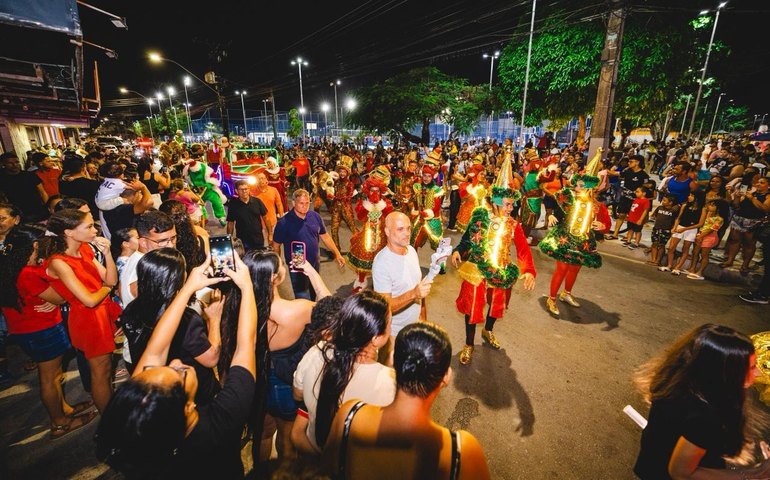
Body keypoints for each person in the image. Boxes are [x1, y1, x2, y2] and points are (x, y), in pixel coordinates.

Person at [95, 253, 256, 479]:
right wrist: (247, 287)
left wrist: (187, 288)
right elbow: (245, 346)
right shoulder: (222, 421)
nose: (176, 362)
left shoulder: (141, 440)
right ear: (187, 408)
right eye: (179, 374)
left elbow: (156, 348)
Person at [322, 322, 491, 479]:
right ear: (446, 376)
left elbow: (329, 467)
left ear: (393, 359)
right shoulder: (462, 452)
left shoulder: (349, 415)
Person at [218, 250, 330, 470]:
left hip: (253, 379)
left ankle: (260, 472)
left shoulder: (235, 309)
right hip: (283, 386)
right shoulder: (296, 310)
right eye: (281, 266)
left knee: (262, 433)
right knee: (287, 438)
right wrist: (311, 273)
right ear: (275, 278)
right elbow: (330, 308)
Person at [633, 324, 770, 479]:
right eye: (750, 367)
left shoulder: (676, 381)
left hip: (651, 464)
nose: (757, 372)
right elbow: (681, 473)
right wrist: (753, 473)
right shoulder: (704, 417)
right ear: (725, 372)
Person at [0, 225, 98, 438]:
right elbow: (61, 297)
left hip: (26, 329)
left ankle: (64, 409)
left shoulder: (10, 267)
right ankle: (60, 422)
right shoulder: (28, 274)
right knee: (50, 378)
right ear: (35, 245)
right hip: (42, 330)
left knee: (54, 375)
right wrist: (58, 283)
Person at [451, 153, 536, 365]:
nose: (510, 209)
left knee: (496, 305)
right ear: (497, 202)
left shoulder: (513, 225)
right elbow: (467, 240)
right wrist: (458, 251)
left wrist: (529, 271)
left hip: (501, 269)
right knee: (472, 307)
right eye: (507, 204)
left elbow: (524, 250)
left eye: (511, 205)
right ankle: (469, 344)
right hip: (477, 269)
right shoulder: (480, 216)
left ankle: (488, 331)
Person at [292, 290, 396, 454]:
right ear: (376, 338)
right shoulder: (389, 381)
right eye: (390, 323)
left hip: (312, 447)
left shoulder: (317, 352)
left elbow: (297, 394)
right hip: (352, 464)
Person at [42, 209, 121, 413]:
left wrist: (107, 254)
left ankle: (111, 413)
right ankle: (110, 422)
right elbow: (89, 300)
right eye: (88, 226)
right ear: (68, 232)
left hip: (101, 313)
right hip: (88, 319)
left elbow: (111, 279)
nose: (95, 230)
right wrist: (108, 289)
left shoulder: (85, 248)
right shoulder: (59, 262)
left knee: (105, 369)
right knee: (100, 372)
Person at [120, 248, 222, 405]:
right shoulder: (186, 319)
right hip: (192, 394)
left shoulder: (131, 309)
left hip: (157, 390)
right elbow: (211, 358)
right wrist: (214, 319)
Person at [539, 149, 612, 317]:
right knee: (562, 268)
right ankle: (552, 298)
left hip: (583, 241)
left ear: (590, 187)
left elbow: (606, 224)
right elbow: (556, 211)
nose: (577, 187)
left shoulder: (597, 206)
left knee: (575, 268)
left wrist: (601, 226)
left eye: (581, 185)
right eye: (577, 184)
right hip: (565, 238)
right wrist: (550, 217)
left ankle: (566, 293)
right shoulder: (568, 198)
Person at [372, 211, 433, 364]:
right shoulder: (381, 263)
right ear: (387, 231)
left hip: (414, 327)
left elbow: (418, 288)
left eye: (408, 228)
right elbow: (385, 306)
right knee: (392, 377)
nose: (406, 234)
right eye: (400, 229)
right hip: (394, 333)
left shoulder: (411, 251)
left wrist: (423, 319)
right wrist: (414, 294)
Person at [272, 189, 345, 300]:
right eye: (301, 203)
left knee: (314, 291)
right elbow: (276, 245)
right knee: (302, 297)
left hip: (315, 262)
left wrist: (337, 254)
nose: (305, 206)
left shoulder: (315, 216)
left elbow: (325, 237)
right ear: (293, 203)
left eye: (307, 203)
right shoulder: (283, 223)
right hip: (298, 263)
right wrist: (277, 263)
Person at [347, 176, 394, 293]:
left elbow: (390, 216)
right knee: (364, 255)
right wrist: (366, 207)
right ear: (368, 190)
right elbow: (360, 217)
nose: (375, 193)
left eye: (377, 190)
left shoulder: (386, 203)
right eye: (372, 190)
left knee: (383, 259)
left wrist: (382, 207)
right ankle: (361, 279)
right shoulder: (363, 203)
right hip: (367, 235)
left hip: (382, 236)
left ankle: (381, 281)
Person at [608, 154, 649, 240]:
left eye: (631, 161)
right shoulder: (627, 171)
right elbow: (616, 173)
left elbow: (647, 187)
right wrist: (606, 170)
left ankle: (629, 236)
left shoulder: (644, 175)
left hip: (636, 201)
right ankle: (615, 234)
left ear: (637, 162)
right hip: (625, 198)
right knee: (621, 215)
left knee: (632, 218)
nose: (629, 163)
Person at [0, 151, 49, 223]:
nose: (14, 165)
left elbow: (42, 192)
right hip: (18, 213)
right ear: (3, 164)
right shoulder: (2, 178)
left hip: (38, 210)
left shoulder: (29, 175)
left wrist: (47, 207)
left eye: (17, 162)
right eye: (10, 163)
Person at [685, 199, 725, 280]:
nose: (709, 206)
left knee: (704, 255)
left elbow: (712, 229)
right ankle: (692, 268)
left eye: (712, 205)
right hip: (701, 234)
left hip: (709, 236)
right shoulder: (706, 214)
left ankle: (700, 272)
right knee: (695, 252)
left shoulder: (719, 219)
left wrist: (701, 236)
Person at [328, 155, 359, 253]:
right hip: (336, 209)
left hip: (346, 209)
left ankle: (360, 247)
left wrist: (335, 197)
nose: (342, 173)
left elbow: (348, 197)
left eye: (344, 171)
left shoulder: (350, 184)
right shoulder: (336, 183)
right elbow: (331, 192)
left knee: (353, 229)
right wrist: (331, 201)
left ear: (347, 172)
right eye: (340, 171)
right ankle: (336, 250)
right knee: (333, 229)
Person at [227, 179, 268, 252]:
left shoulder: (257, 201)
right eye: (241, 189)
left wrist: (270, 234)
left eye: (246, 189)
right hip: (242, 240)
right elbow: (230, 223)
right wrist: (229, 238)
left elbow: (266, 218)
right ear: (237, 191)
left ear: (249, 189)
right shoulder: (233, 205)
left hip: (258, 239)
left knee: (259, 259)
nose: (244, 191)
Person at [253, 172, 284, 244]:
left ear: (266, 179)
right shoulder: (252, 192)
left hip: (272, 222)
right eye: (259, 179)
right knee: (261, 245)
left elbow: (279, 204)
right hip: (258, 224)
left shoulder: (273, 190)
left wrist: (282, 218)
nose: (261, 180)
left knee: (274, 244)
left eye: (263, 178)